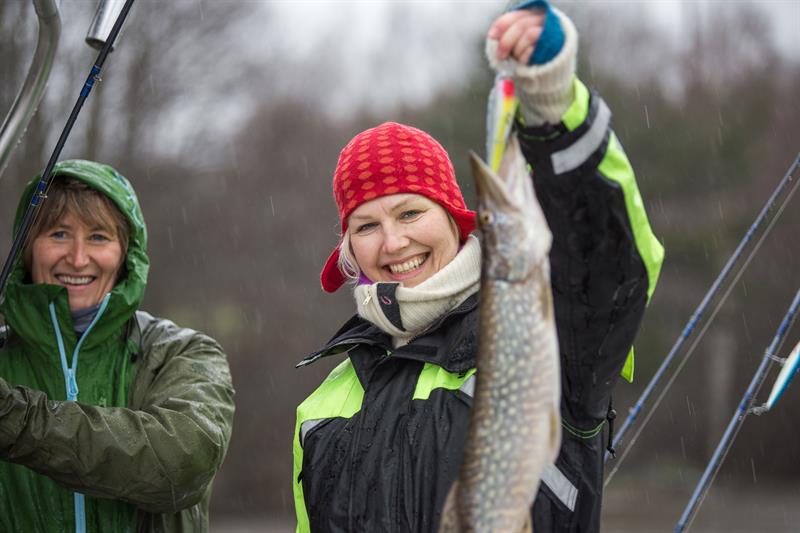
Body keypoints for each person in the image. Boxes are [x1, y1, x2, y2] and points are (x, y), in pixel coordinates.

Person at [293, 1, 663, 532]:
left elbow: (612, 264)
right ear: (348, 250)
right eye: (366, 226)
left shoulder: (550, 329)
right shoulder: (320, 405)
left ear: (457, 223)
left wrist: (552, 107)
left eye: (411, 212)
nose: (393, 241)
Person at [0, 160, 235, 532]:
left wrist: (16, 420)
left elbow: (183, 462)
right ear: (27, 250)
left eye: (98, 237)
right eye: (59, 234)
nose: (78, 258)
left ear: (127, 254)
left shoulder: (181, 352)